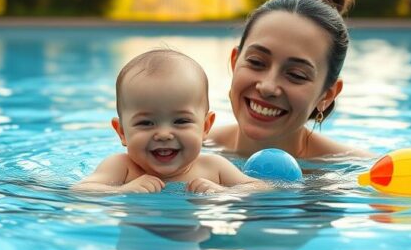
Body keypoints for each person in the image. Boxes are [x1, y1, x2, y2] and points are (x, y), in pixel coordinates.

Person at [208, 0, 370, 159]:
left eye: (296, 75)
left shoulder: (357, 173)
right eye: (256, 62)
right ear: (235, 63)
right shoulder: (189, 151)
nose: (268, 87)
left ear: (327, 95)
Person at [74, 49, 267, 194]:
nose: (164, 134)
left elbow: (259, 188)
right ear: (122, 132)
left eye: (181, 121)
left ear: (205, 127)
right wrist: (121, 191)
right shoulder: (121, 167)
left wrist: (224, 192)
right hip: (139, 246)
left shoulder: (213, 167)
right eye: (146, 123)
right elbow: (81, 190)